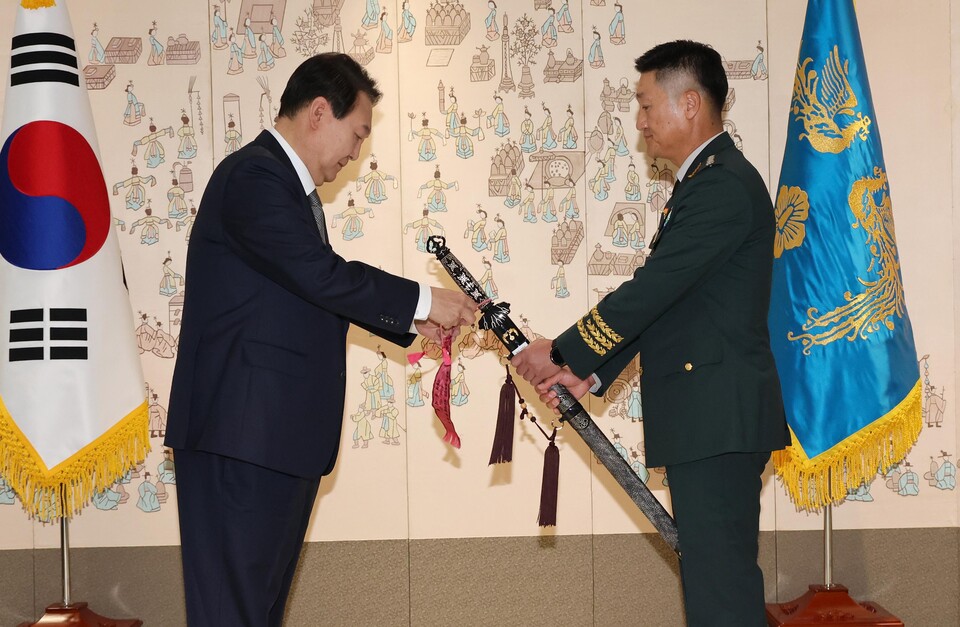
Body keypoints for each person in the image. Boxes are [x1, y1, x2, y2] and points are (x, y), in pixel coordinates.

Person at [165, 53, 476, 626]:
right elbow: (320, 274)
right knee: (233, 614)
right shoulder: (253, 177)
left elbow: (311, 292)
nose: (356, 153)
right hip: (242, 439)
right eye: (356, 134)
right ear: (317, 112)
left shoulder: (281, 188)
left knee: (254, 612)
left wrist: (411, 322)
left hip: (269, 441)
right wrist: (425, 301)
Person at [511, 40, 789, 626]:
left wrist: (561, 349)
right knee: (716, 589)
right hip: (710, 421)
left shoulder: (721, 185)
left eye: (645, 105)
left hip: (718, 421)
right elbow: (673, 300)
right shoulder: (706, 183)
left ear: (690, 105)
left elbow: (655, 288)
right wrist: (589, 369)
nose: (639, 122)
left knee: (722, 596)